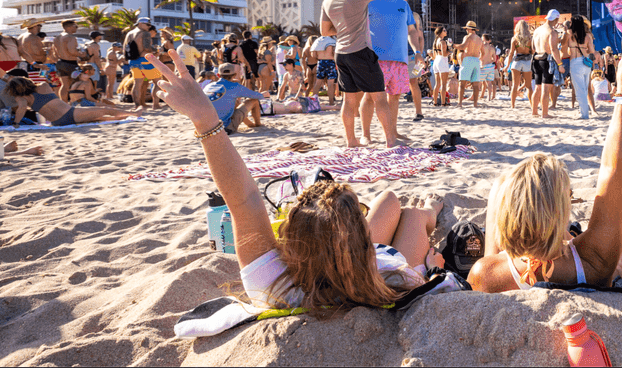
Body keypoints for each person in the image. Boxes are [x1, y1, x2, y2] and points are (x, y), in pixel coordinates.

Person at [139, 50, 446, 312]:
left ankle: (419, 214)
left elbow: (243, 198)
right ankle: (429, 213)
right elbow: (243, 201)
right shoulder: (392, 277)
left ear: (292, 239)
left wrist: (204, 119)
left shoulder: (273, 283)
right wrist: (433, 268)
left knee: (391, 201)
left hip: (351, 261)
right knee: (406, 210)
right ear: (361, 236)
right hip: (366, 268)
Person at [468, 27, 622, 292]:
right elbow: (612, 169)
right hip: (574, 267)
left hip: (511, 271)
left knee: (501, 186)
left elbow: (490, 260)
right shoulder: (595, 260)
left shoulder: (485, 273)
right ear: (560, 215)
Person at [320, 0, 398, 147]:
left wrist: (343, 28)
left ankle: (351, 141)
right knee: (379, 97)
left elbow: (325, 31)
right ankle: (390, 140)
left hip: (341, 53)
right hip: (361, 51)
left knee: (349, 99)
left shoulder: (328, 0)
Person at [359, 0, 421, 144]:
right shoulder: (369, 2)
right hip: (375, 58)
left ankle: (392, 132)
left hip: (399, 59)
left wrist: (417, 52)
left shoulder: (403, 5)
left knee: (394, 97)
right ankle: (366, 135)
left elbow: (412, 31)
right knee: (370, 97)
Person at [4, 70, 135, 127]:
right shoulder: (42, 86)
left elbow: (21, 110)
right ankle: (133, 113)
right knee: (104, 110)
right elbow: (55, 86)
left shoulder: (22, 99)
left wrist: (16, 123)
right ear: (27, 81)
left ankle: (125, 117)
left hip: (57, 122)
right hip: (70, 113)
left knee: (99, 118)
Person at [204, 63, 266, 133]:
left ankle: (250, 124)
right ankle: (258, 124)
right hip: (225, 127)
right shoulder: (235, 86)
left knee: (234, 102)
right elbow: (256, 96)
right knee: (254, 101)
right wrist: (264, 94)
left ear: (218, 75)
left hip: (207, 127)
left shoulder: (208, 86)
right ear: (235, 75)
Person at [394, 0, 425, 122]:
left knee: (414, 83)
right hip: (396, 54)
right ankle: (393, 114)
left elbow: (420, 37)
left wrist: (420, 55)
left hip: (412, 54)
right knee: (395, 86)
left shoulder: (414, 15)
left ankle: (419, 112)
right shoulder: (393, 13)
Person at [531, 11, 565, 118]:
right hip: (547, 60)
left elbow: (533, 47)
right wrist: (560, 64)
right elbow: (554, 50)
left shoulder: (537, 30)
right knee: (545, 89)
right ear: (555, 19)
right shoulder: (552, 32)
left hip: (536, 58)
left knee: (537, 88)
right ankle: (544, 113)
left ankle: (534, 112)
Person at [564, 15, 598, 120]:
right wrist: (584, 51)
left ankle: (584, 114)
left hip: (575, 62)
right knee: (584, 87)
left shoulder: (569, 34)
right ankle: (582, 110)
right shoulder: (587, 36)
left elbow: (563, 46)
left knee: (580, 90)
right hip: (586, 62)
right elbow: (592, 51)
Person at [124, 17, 158, 111]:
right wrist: (156, 50)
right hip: (144, 60)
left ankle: (137, 105)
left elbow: (124, 49)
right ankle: (156, 105)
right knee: (157, 82)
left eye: (150, 25)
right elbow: (147, 48)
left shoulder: (129, 33)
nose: (149, 27)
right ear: (140, 24)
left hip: (133, 61)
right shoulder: (145, 33)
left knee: (137, 83)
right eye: (147, 25)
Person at [504, 20, 534, 110]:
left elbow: (511, 54)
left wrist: (507, 66)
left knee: (514, 85)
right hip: (527, 61)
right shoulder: (530, 38)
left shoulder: (515, 38)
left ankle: (512, 105)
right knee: (528, 86)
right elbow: (533, 51)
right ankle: (532, 105)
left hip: (517, 62)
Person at [456, 21, 484, 108]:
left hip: (468, 59)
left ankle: (460, 103)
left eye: (467, 29)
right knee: (476, 84)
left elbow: (462, 47)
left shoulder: (468, 37)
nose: (466, 30)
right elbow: (483, 52)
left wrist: (453, 45)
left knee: (462, 83)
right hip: (476, 60)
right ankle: (475, 104)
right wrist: (479, 59)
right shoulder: (479, 39)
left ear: (469, 29)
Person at [52, 19, 81, 102]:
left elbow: (54, 53)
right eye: (76, 26)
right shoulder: (70, 37)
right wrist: (81, 54)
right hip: (70, 63)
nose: (77, 28)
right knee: (77, 83)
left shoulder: (57, 38)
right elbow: (72, 51)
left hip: (61, 62)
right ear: (69, 27)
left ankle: (64, 104)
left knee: (65, 85)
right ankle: (74, 102)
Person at [308, 34, 338, 104]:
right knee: (330, 83)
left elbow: (313, 55)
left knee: (318, 82)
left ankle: (314, 102)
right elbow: (334, 53)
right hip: (330, 62)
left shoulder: (318, 41)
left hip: (320, 62)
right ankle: (331, 102)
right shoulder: (332, 41)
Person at [431, 27, 451, 107]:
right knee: (443, 84)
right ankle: (443, 103)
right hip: (442, 60)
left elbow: (434, 55)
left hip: (436, 60)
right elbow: (444, 54)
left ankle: (435, 102)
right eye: (444, 30)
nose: (446, 32)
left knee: (437, 83)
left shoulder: (435, 41)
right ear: (440, 32)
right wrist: (450, 51)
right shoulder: (442, 42)